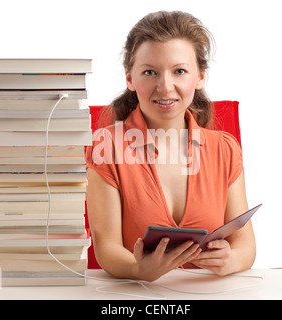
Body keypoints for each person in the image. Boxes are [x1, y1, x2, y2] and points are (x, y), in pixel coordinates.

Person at [85, 11, 255, 282]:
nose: (165, 87)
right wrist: (137, 270)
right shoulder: (105, 146)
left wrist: (230, 259)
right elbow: (107, 248)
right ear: (130, 78)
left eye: (179, 71)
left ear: (199, 77)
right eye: (150, 72)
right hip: (136, 297)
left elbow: (245, 246)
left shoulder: (225, 148)